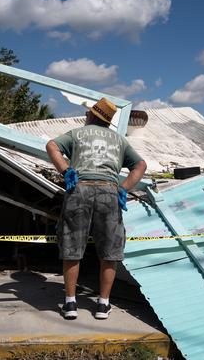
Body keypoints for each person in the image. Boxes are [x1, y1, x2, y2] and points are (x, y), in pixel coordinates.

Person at [45, 97, 147, 320]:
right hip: (109, 191)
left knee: (72, 246)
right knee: (109, 251)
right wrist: (124, 188)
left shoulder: (77, 134)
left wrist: (65, 170)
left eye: (87, 113)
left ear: (92, 115)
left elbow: (51, 145)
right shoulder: (120, 140)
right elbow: (140, 165)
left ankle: (70, 304)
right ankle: (103, 305)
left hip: (79, 188)